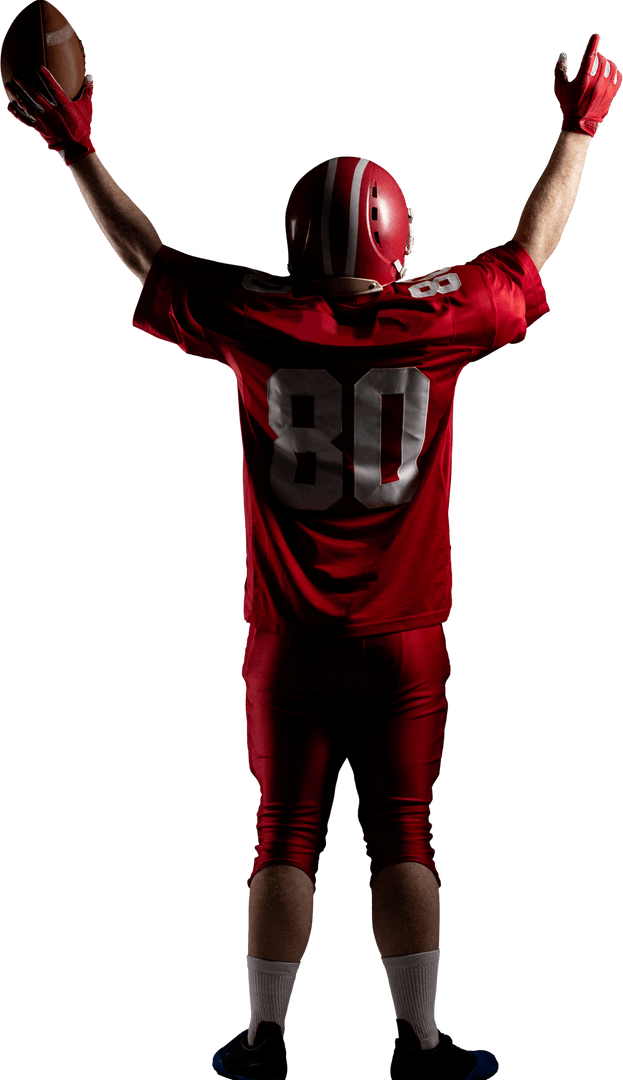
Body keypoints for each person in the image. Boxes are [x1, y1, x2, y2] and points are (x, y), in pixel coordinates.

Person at [6, 30, 620, 1080]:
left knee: (283, 833)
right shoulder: (439, 317)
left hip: (283, 642)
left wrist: (77, 153)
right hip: (404, 640)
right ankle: (419, 1044)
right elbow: (530, 251)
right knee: (404, 833)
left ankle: (263, 1039)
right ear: (394, 241)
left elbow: (144, 255)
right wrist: (574, 130)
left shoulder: (257, 316)